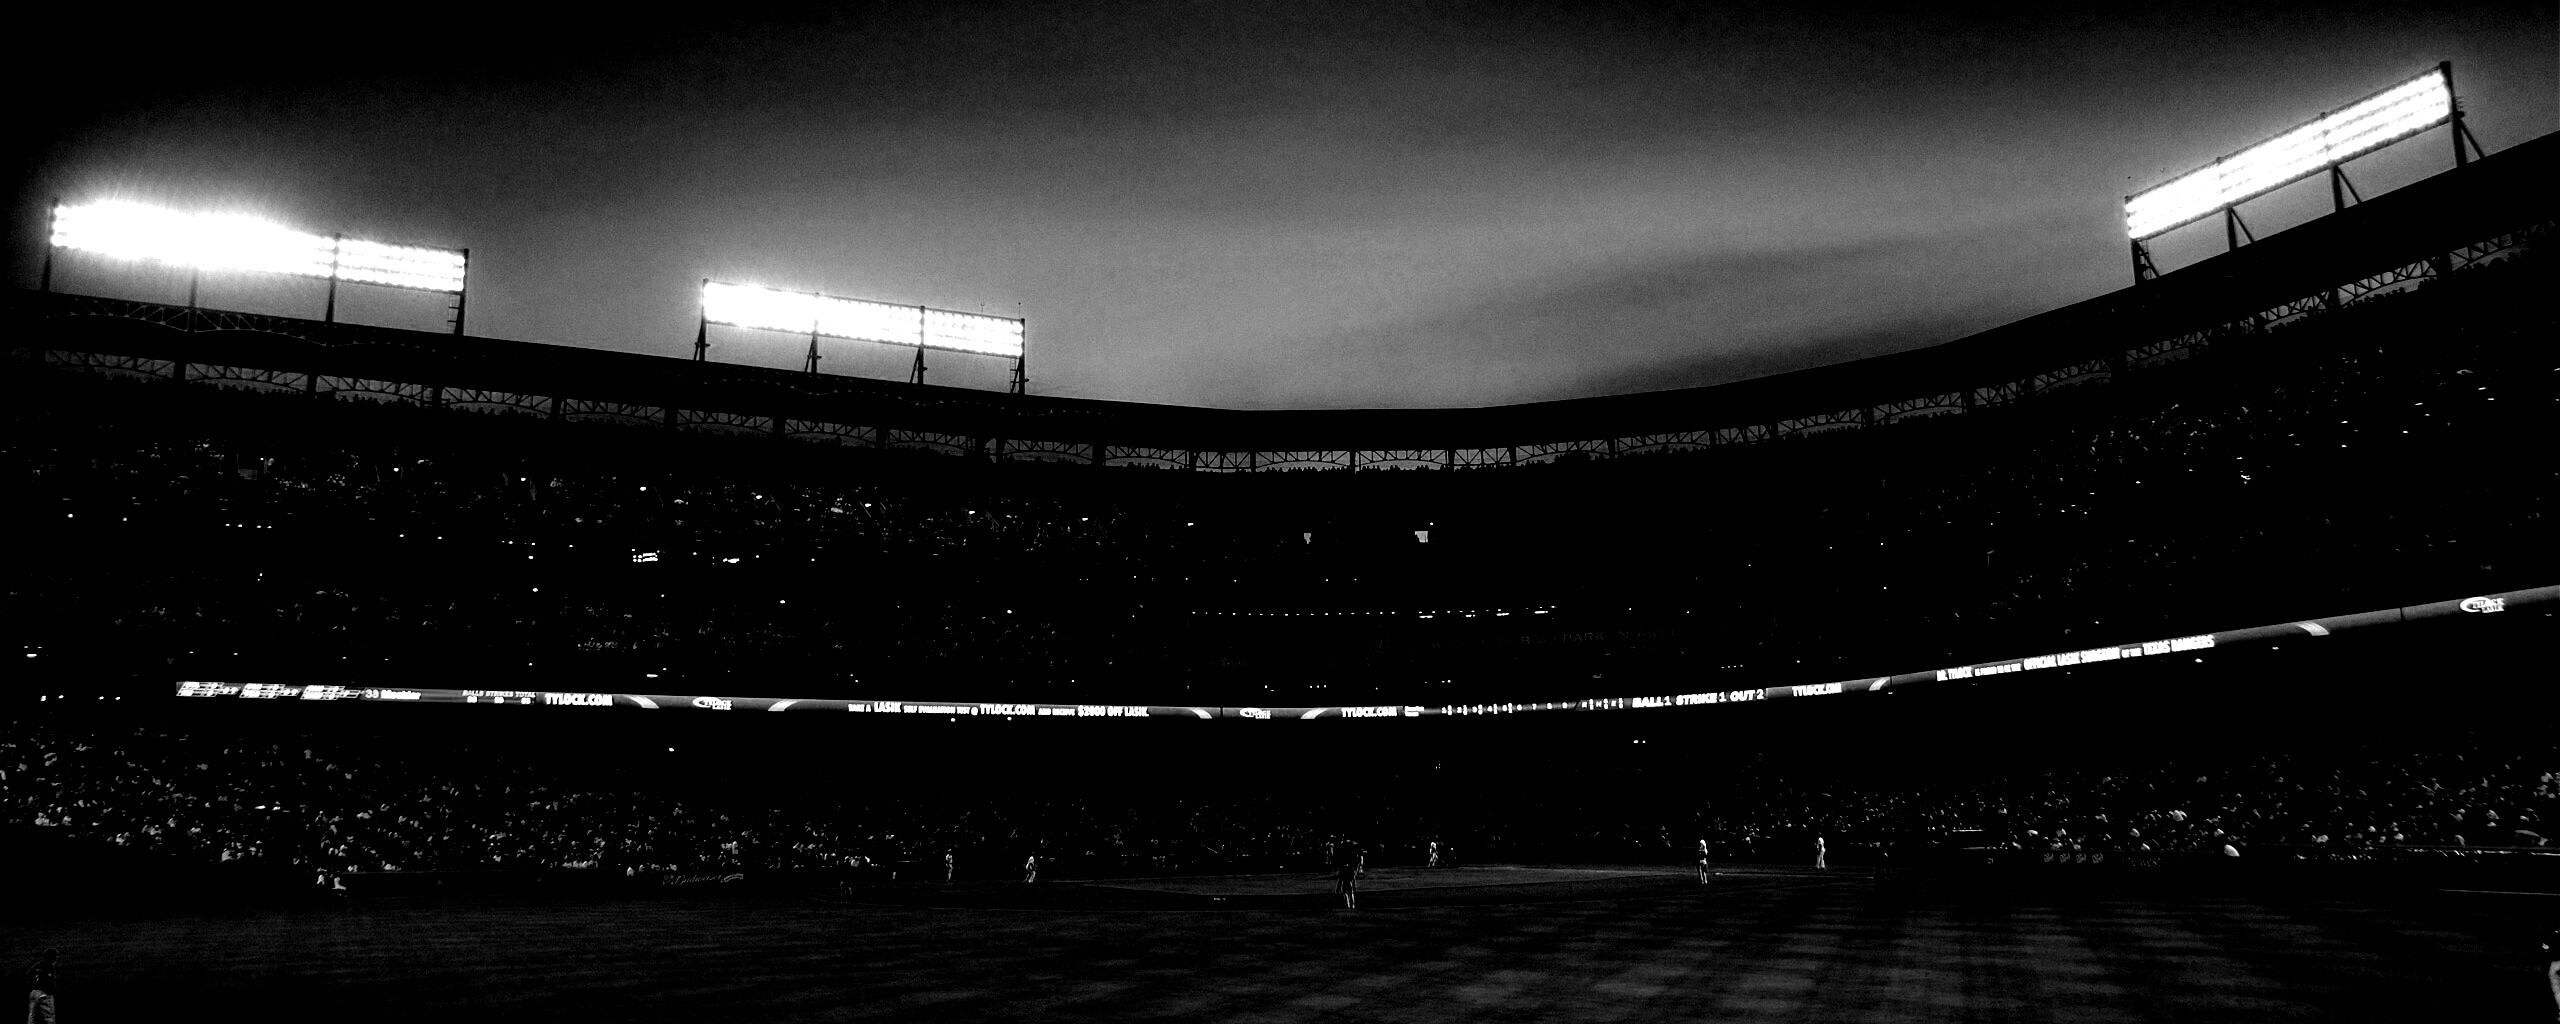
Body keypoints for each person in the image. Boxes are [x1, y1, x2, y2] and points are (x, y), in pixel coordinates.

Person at [27, 947, 60, 1024]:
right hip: (44, 994)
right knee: (49, 1018)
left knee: (32, 1018)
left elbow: (28, 975)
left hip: (34, 993)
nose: (56, 959)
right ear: (52, 957)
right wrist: (50, 992)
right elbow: (48, 981)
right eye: (55, 957)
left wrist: (32, 987)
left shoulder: (38, 965)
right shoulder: (49, 966)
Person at [1334, 841, 1361, 909]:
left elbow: (1340, 879)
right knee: (1351, 892)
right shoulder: (1351, 868)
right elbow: (1353, 877)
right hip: (1350, 882)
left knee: (1345, 893)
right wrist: (1354, 885)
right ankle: (1352, 904)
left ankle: (1347, 904)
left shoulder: (1342, 868)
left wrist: (1338, 888)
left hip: (1345, 882)